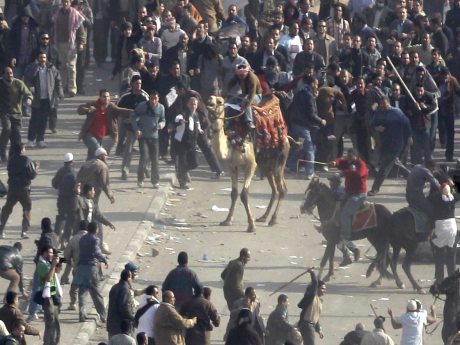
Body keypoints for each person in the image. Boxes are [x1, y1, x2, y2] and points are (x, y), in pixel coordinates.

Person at [367, 96, 412, 196]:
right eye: (381, 105)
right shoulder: (378, 113)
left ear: (389, 103)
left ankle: (375, 188)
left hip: (397, 143)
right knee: (395, 163)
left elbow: (407, 123)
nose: (383, 106)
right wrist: (376, 128)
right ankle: (415, 178)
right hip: (385, 143)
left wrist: (409, 137)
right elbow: (372, 125)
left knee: (384, 167)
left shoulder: (397, 112)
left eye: (385, 104)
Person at [329, 148, 366, 265]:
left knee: (345, 213)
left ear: (356, 156)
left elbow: (359, 174)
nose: (348, 160)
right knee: (336, 205)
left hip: (359, 194)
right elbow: (341, 161)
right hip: (348, 192)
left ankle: (345, 236)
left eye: (351, 157)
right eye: (348, 157)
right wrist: (335, 163)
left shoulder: (361, 165)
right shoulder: (349, 162)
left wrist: (343, 173)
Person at [287, 75, 326, 179]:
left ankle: (291, 165)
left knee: (301, 146)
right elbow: (311, 114)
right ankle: (310, 172)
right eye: (316, 84)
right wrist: (321, 120)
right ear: (312, 84)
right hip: (303, 126)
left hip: (296, 124)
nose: (317, 86)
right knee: (310, 148)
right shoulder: (308, 95)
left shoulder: (300, 92)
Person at [77, 89, 133, 160]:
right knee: (100, 152)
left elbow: (121, 111)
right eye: (104, 96)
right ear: (100, 97)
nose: (106, 98)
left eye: (108, 96)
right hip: (89, 135)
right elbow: (79, 109)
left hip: (101, 137)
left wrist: (134, 112)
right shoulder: (93, 104)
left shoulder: (111, 107)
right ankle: (102, 168)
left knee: (92, 158)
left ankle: (92, 169)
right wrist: (87, 110)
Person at [23, 52, 63, 148]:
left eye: (44, 57)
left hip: (47, 99)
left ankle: (40, 139)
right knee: (34, 119)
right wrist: (35, 69)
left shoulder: (51, 68)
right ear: (37, 58)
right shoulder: (32, 68)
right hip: (37, 99)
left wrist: (60, 93)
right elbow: (27, 78)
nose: (43, 59)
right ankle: (30, 140)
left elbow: (58, 81)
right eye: (41, 57)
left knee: (43, 120)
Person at [0, 143, 38, 239]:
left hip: (12, 189)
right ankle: (24, 232)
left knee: (7, 209)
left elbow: (10, 172)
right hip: (24, 189)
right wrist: (36, 168)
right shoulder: (26, 160)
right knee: (27, 209)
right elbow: (32, 175)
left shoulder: (11, 160)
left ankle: (1, 230)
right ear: (21, 150)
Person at [72, 221, 107, 323]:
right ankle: (103, 315)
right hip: (91, 267)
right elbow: (96, 252)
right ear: (96, 229)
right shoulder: (95, 239)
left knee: (82, 292)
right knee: (96, 292)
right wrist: (104, 259)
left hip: (81, 267)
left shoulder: (82, 238)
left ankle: (82, 314)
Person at [116, 75, 149, 180]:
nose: (139, 85)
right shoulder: (126, 96)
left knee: (145, 150)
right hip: (130, 128)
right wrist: (124, 118)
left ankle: (146, 169)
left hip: (142, 127)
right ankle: (125, 171)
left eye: (140, 83)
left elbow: (149, 112)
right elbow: (118, 109)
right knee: (128, 149)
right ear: (132, 84)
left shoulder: (145, 96)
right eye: (137, 83)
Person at [132, 90, 165, 189]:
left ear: (158, 99)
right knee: (144, 157)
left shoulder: (161, 108)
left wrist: (161, 125)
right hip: (143, 137)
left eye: (155, 99)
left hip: (154, 137)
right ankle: (140, 179)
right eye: (151, 98)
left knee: (155, 160)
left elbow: (163, 119)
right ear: (149, 98)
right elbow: (133, 116)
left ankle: (155, 181)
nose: (153, 101)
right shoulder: (142, 106)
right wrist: (136, 129)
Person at [52, 0, 86, 97]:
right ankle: (62, 87)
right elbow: (54, 28)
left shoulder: (75, 14)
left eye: (66, 1)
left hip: (72, 44)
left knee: (71, 67)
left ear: (70, 2)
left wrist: (81, 43)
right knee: (62, 66)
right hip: (60, 43)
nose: (65, 3)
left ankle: (72, 89)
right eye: (63, 2)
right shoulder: (57, 13)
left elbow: (80, 30)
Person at [0, 67, 33, 162]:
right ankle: (2, 152)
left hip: (16, 113)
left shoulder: (18, 83)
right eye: (7, 73)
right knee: (7, 129)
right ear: (3, 75)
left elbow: (28, 93)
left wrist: (29, 99)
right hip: (4, 112)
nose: (10, 75)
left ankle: (13, 156)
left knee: (16, 136)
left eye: (11, 73)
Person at [172, 97, 202, 189]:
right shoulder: (184, 113)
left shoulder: (196, 114)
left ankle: (183, 173)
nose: (194, 106)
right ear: (188, 104)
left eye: (195, 104)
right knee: (183, 162)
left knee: (194, 162)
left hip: (192, 142)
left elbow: (197, 123)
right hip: (181, 142)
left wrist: (199, 129)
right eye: (192, 104)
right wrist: (181, 121)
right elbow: (178, 118)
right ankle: (182, 182)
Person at [431, 183, 458, 283]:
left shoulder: (437, 199)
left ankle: (439, 280)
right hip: (452, 228)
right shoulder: (453, 198)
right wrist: (453, 186)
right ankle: (453, 280)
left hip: (441, 228)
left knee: (439, 255)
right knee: (451, 255)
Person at [37, 245, 61, 345]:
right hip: (48, 298)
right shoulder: (41, 265)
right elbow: (48, 279)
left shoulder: (48, 263)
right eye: (49, 253)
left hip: (54, 296)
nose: (51, 255)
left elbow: (57, 273)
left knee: (55, 324)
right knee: (50, 324)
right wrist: (53, 265)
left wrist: (57, 265)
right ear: (44, 253)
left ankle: (53, 342)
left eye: (52, 253)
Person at [51, 152, 77, 247]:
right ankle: (65, 240)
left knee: (61, 217)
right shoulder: (74, 172)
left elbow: (54, 183)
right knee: (70, 220)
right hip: (72, 199)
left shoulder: (60, 171)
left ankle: (56, 235)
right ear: (72, 161)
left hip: (61, 198)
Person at [297, 268, 326, 345]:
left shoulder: (320, 301)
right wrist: (312, 273)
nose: (324, 290)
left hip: (311, 326)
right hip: (307, 325)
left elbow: (316, 318)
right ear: (317, 289)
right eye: (322, 288)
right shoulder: (312, 296)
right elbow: (315, 283)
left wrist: (319, 329)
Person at [107, 269, 135, 339]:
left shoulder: (115, 287)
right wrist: (133, 318)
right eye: (131, 277)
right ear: (128, 278)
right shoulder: (125, 290)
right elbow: (124, 308)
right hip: (120, 326)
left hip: (112, 324)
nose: (131, 279)